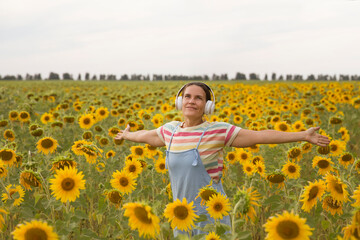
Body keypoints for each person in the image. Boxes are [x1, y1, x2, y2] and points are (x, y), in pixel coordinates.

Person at [114, 82, 330, 237]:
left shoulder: (217, 131)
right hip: (180, 214)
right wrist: (126, 135)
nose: (192, 101)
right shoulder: (169, 131)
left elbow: (259, 135)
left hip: (212, 215)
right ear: (180, 101)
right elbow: (144, 136)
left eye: (199, 98)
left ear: (208, 106)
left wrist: (302, 135)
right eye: (188, 96)